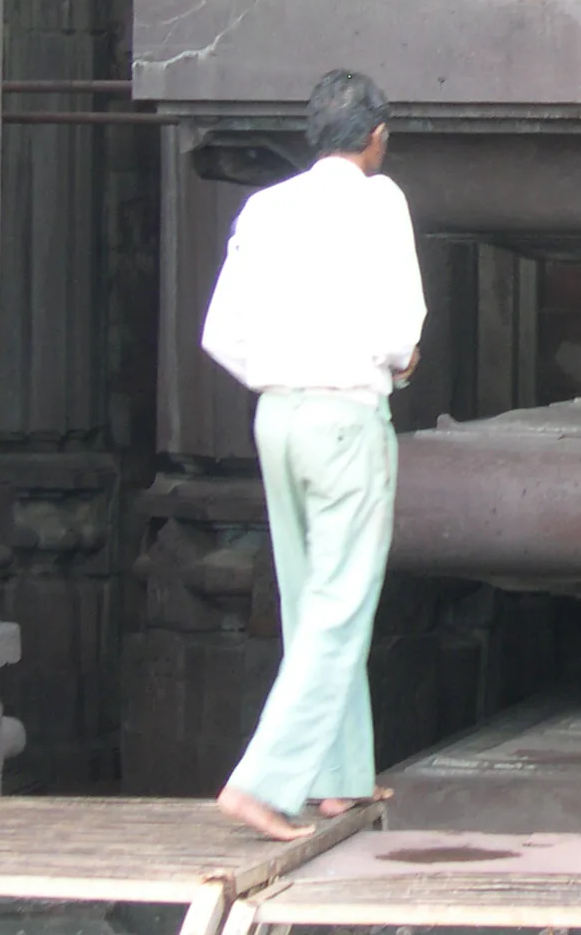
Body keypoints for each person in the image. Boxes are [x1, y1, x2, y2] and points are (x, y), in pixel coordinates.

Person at [201, 70, 427, 839]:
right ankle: (264, 781)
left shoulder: (266, 207)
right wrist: (397, 359)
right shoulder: (379, 199)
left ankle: (338, 776)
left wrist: (279, 372)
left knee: (310, 599)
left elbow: (220, 333)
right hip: (343, 419)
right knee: (341, 603)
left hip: (278, 416)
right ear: (375, 137)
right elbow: (402, 325)